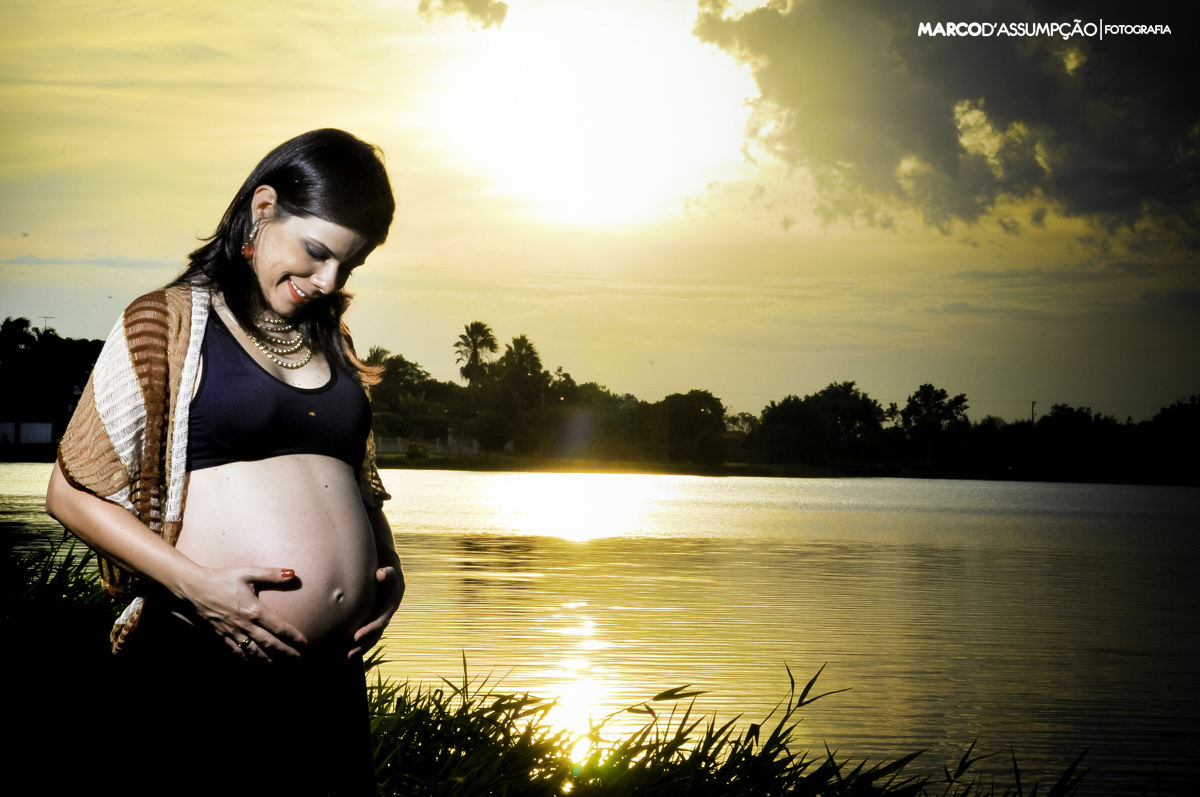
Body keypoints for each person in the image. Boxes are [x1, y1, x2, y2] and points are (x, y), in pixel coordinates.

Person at [45, 129, 403, 796]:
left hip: (328, 681)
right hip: (207, 662)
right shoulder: (165, 320)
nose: (327, 281)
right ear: (263, 207)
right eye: (317, 252)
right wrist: (196, 585)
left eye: (347, 267)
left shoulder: (331, 337)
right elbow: (68, 494)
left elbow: (358, 484)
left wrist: (390, 569)